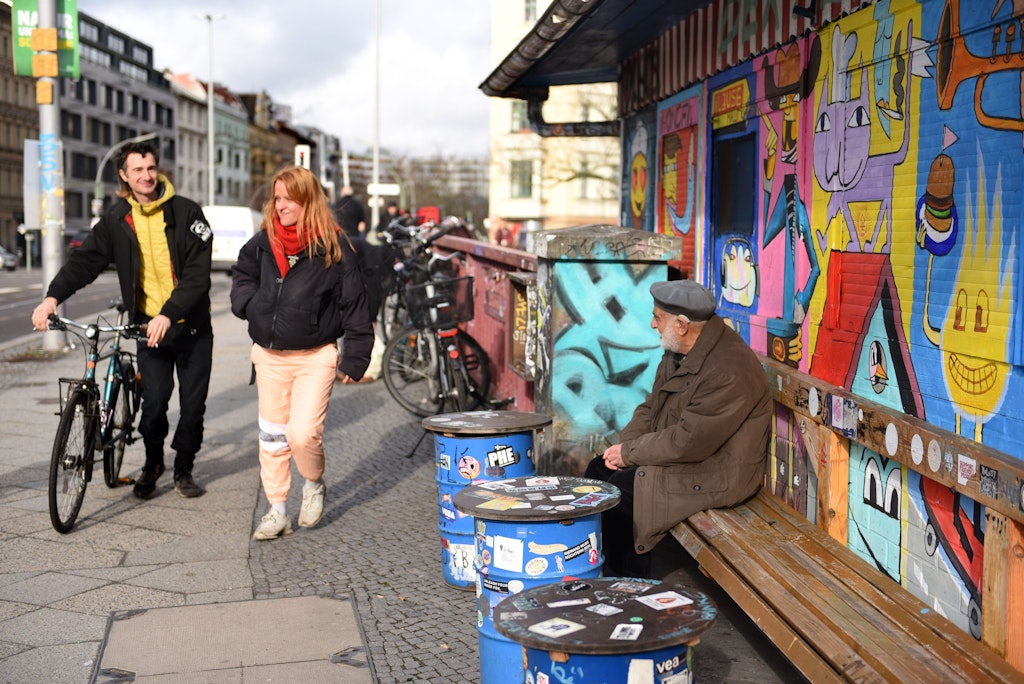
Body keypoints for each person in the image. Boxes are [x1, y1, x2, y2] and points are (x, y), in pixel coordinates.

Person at [32, 141, 213, 500]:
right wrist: (52, 298)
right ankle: (153, 463)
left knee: (192, 407)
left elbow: (197, 276)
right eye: (138, 170)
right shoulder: (116, 219)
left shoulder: (188, 212)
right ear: (124, 176)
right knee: (155, 404)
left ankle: (184, 467)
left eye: (151, 168)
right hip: (148, 328)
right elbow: (85, 262)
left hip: (190, 327)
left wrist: (169, 313)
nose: (146, 176)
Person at [584, 279, 772, 578]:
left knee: (623, 492)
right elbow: (651, 406)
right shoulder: (679, 351)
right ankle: (611, 573)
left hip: (717, 472)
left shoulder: (728, 370)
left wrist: (631, 455)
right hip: (689, 459)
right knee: (599, 471)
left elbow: (689, 442)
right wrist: (625, 449)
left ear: (682, 325)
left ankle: (631, 581)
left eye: (658, 318)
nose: (652, 324)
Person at [230, 165, 373, 541]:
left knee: (303, 434)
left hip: (315, 356)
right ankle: (277, 510)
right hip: (269, 355)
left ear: (307, 200)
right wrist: (249, 304)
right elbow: (242, 274)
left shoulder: (334, 247)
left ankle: (313, 483)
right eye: (276, 198)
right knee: (272, 438)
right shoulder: (264, 241)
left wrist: (356, 358)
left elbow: (356, 304)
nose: (280, 206)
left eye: (288, 198)